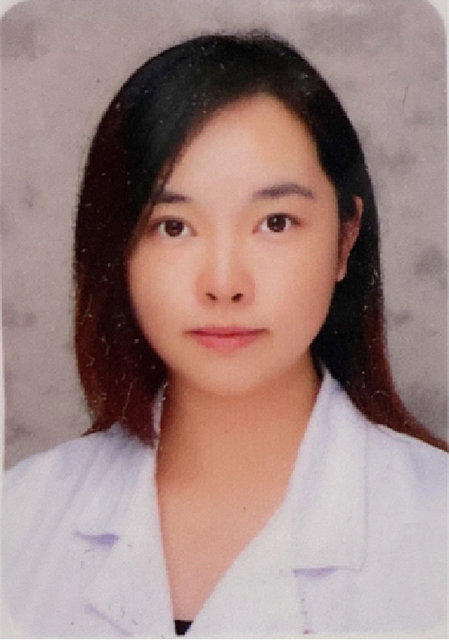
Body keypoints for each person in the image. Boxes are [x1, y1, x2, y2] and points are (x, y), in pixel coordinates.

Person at [2, 31, 447, 638]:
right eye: (173, 226)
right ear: (116, 249)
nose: (224, 284)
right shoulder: (20, 516)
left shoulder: (436, 528)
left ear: (345, 238)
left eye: (275, 222)